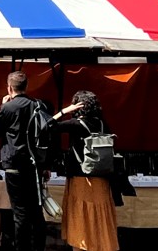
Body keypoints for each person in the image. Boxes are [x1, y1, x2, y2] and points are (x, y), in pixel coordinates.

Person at [49, 91, 118, 251]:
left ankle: (82, 247)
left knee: (81, 217)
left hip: (81, 179)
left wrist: (63, 111)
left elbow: (47, 127)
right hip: (102, 179)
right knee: (99, 218)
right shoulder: (102, 124)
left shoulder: (76, 124)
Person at [0, 71, 47, 251]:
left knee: (20, 213)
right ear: (26, 86)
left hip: (14, 165)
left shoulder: (8, 108)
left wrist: (2, 106)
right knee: (37, 211)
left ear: (9, 88)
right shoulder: (39, 105)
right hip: (35, 164)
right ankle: (39, 247)